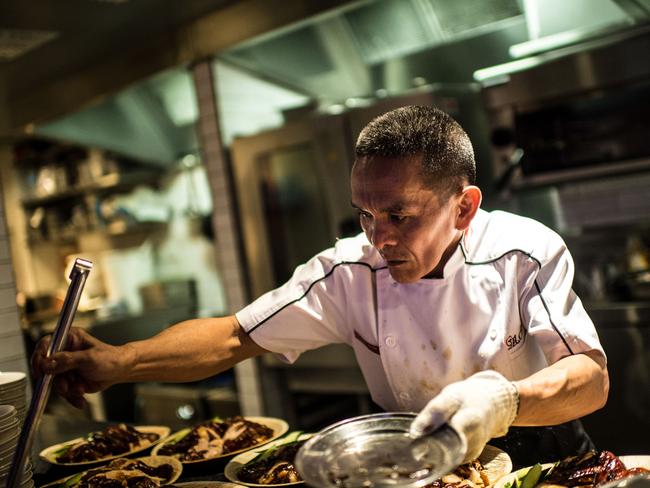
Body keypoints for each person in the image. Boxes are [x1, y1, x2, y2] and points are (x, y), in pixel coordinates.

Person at [33, 106, 608, 468]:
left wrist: (504, 402)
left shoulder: (524, 252)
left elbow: (590, 379)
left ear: (464, 208)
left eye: (399, 215)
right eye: (364, 213)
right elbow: (235, 337)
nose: (376, 238)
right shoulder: (349, 271)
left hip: (545, 454)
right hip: (420, 464)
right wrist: (122, 360)